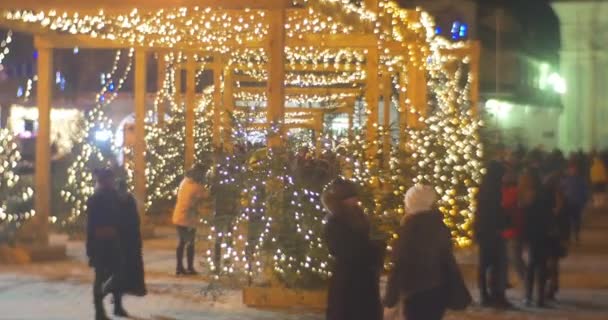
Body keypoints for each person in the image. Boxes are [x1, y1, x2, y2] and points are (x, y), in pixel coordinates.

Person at [384, 185, 471, 320]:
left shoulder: (410, 231)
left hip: (416, 293)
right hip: (438, 290)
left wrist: (391, 297)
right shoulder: (438, 225)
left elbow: (399, 265)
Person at [322, 177, 384, 320]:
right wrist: (372, 250)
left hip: (363, 277)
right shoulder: (335, 222)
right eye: (351, 197)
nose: (355, 200)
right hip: (348, 279)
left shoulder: (358, 215)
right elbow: (342, 249)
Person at [86, 168, 126, 320]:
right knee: (101, 277)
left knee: (116, 274)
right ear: (104, 181)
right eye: (110, 179)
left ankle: (116, 305)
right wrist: (90, 248)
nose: (112, 182)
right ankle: (100, 311)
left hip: (112, 241)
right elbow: (91, 225)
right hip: (101, 243)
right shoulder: (96, 198)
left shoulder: (114, 196)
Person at [474, 161, 511, 308]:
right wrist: (505, 220)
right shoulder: (494, 191)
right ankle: (496, 294)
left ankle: (487, 295)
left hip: (484, 232)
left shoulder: (485, 189)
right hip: (492, 232)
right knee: (497, 264)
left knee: (486, 265)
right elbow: (495, 213)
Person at [521, 168, 552, 307]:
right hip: (543, 234)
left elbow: (525, 218)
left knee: (531, 267)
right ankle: (540, 298)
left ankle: (528, 296)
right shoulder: (544, 194)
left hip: (532, 235)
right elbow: (549, 215)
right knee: (541, 267)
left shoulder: (528, 196)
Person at [172, 164, 210, 276]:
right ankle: (189, 267)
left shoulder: (184, 182)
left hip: (179, 216)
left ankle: (179, 267)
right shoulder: (197, 187)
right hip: (187, 218)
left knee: (182, 242)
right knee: (190, 243)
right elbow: (206, 196)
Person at [116, 180, 147, 298]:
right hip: (130, 238)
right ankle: (135, 287)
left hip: (128, 238)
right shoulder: (129, 200)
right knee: (133, 263)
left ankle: (133, 287)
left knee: (130, 263)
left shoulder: (123, 201)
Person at [544, 173, 571, 302]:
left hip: (549, 236)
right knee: (553, 263)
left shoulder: (545, 199)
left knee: (549, 263)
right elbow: (566, 221)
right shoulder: (562, 200)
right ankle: (552, 287)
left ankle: (551, 287)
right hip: (556, 236)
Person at [502, 170, 526, 285]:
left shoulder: (506, 193)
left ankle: (524, 278)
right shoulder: (519, 193)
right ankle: (525, 278)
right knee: (515, 257)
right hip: (515, 229)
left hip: (508, 230)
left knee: (510, 258)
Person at [561, 163, 588, 244]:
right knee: (568, 221)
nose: (573, 171)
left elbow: (585, 191)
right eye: (571, 169)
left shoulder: (581, 180)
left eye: (574, 169)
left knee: (577, 220)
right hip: (568, 203)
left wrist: (584, 201)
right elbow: (561, 190)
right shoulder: (566, 180)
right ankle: (568, 236)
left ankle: (576, 235)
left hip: (577, 203)